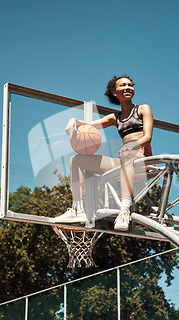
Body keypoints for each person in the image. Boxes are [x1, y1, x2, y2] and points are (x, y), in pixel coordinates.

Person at [54, 75, 153, 231]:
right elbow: (90, 125)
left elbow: (147, 137)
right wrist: (75, 120)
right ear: (115, 92)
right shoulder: (116, 117)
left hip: (142, 159)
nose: (128, 87)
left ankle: (124, 210)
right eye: (123, 85)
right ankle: (77, 209)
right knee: (76, 160)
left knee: (125, 154)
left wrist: (131, 146)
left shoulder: (143, 109)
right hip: (124, 160)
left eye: (130, 85)